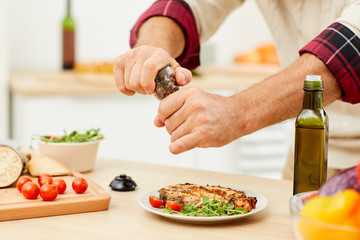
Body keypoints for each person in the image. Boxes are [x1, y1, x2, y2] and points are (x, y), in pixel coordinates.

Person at [113, 0, 360, 179]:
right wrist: (152, 50)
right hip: (307, 151)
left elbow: (350, 48)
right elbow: (188, 6)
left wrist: (236, 112)